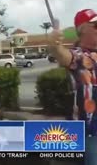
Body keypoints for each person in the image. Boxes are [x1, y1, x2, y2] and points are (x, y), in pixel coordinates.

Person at [48, 9, 97, 165]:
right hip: (90, 131)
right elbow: (63, 56)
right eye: (95, 25)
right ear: (82, 30)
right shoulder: (80, 56)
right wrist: (54, 44)